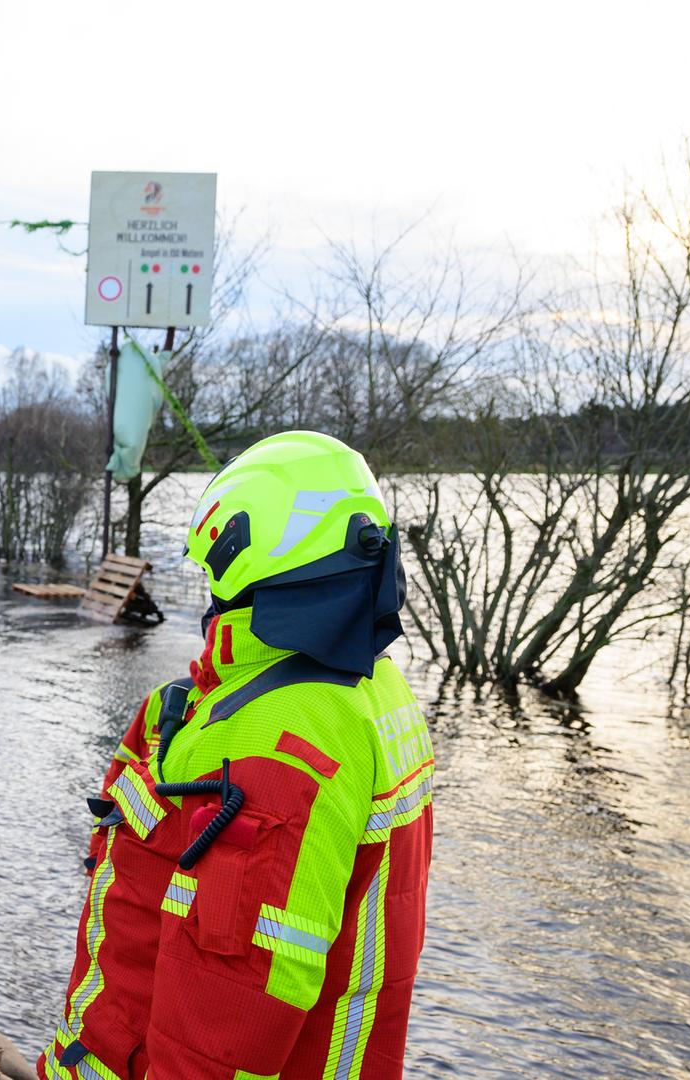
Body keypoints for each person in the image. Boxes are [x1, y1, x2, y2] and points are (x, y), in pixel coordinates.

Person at [40, 430, 434, 1080]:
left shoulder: (279, 737)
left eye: (211, 571)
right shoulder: (372, 688)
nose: (208, 587)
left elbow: (224, 1013)